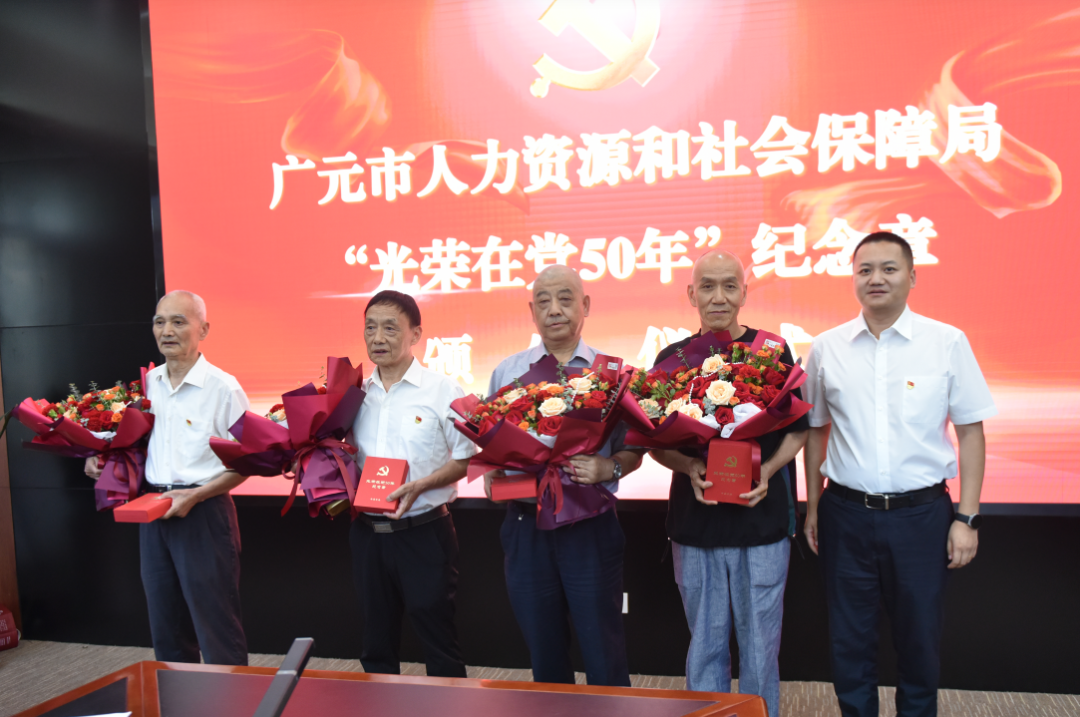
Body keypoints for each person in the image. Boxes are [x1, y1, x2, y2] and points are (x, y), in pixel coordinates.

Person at [802, 232, 996, 717]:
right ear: (853, 278)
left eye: (889, 268)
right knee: (849, 641)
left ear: (912, 276)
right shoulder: (826, 348)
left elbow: (971, 433)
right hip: (845, 513)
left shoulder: (946, 342)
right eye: (865, 270)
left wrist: (967, 517)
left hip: (922, 517)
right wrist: (813, 506)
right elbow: (815, 432)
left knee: (919, 641)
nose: (876, 278)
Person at [649, 250, 808, 717]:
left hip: (761, 522)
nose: (718, 297)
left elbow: (798, 430)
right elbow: (654, 442)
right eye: (707, 286)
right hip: (696, 525)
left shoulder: (771, 351)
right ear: (691, 294)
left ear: (744, 292)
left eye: (729, 286)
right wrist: (688, 467)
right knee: (705, 644)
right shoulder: (671, 360)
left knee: (761, 647)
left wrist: (768, 470)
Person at [486, 265, 642, 687]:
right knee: (544, 650)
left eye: (565, 299)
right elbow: (489, 445)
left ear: (585, 305)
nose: (554, 309)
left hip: (590, 527)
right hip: (525, 526)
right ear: (532, 311)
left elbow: (635, 449)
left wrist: (608, 467)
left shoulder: (611, 373)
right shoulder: (507, 373)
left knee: (603, 648)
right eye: (543, 301)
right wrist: (494, 475)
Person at [85, 290, 250, 665]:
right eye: (160, 322)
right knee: (166, 626)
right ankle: (178, 695)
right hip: (153, 512)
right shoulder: (147, 386)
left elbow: (246, 464)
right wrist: (102, 460)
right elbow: (133, 447)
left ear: (203, 329)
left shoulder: (223, 388)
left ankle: (234, 697)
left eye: (179, 321)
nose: (167, 331)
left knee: (216, 626)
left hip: (204, 512)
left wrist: (195, 496)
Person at [350, 290, 477, 677]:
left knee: (438, 638)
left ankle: (449, 703)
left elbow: (466, 459)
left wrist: (421, 485)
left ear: (415, 334)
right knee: (375, 641)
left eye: (390, 328)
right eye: (370, 328)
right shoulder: (353, 395)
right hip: (368, 533)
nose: (378, 338)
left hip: (424, 532)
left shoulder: (444, 390)